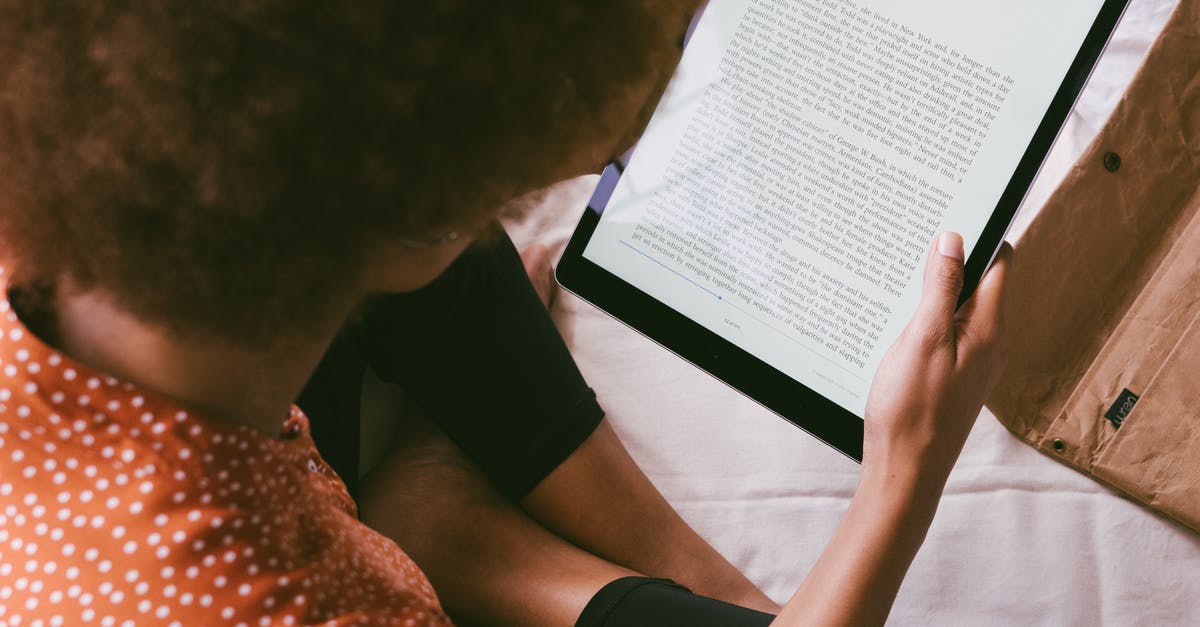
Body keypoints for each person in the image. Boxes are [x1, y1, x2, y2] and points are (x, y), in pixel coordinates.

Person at [0, 2, 1009, 626]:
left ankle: (479, 531)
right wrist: (902, 477)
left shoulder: (95, 175)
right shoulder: (320, 605)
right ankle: (480, 548)